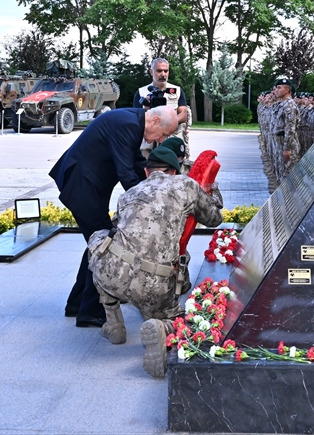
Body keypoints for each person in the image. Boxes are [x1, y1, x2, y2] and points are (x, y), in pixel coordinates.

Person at [88, 143, 223, 378]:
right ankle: (163, 327)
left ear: (146, 171)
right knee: (194, 321)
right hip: (153, 285)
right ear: (174, 171)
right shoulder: (186, 185)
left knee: (98, 239)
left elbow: (116, 228)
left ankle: (114, 323)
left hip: (112, 275)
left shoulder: (129, 193)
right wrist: (212, 189)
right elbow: (214, 219)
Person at [49, 104, 178, 328]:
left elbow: (137, 163)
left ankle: (77, 303)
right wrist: (148, 203)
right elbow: (126, 173)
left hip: (86, 185)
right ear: (156, 121)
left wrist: (157, 185)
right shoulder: (127, 125)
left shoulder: (132, 122)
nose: (161, 139)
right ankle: (90, 311)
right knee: (105, 246)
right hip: (81, 186)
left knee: (97, 244)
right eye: (163, 134)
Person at [133, 57, 191, 165]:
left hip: (171, 137)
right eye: (159, 71)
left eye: (166, 71)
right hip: (149, 139)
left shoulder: (177, 91)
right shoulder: (141, 92)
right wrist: (146, 108)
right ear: (151, 72)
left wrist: (166, 125)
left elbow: (183, 115)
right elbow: (136, 118)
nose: (163, 74)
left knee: (173, 167)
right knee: (146, 166)